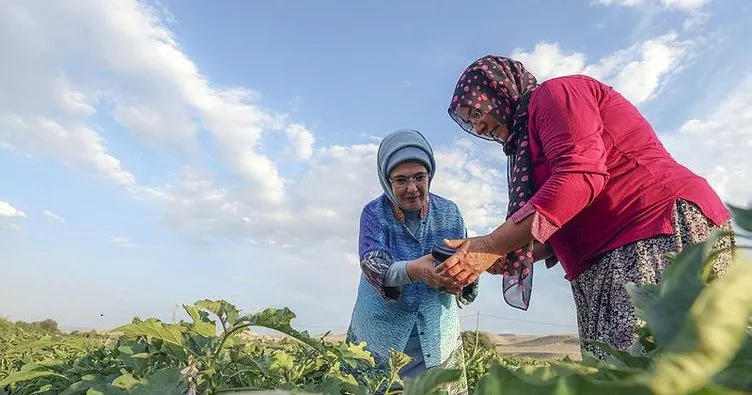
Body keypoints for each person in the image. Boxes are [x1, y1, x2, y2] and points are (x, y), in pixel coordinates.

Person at [438, 55, 735, 360]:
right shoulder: (524, 146)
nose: (480, 124)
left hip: (652, 227)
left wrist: (490, 245)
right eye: (471, 121)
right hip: (608, 253)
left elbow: (579, 177)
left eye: (478, 111)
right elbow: (558, 219)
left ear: (501, 90)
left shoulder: (556, 94)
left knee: (662, 365)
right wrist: (502, 253)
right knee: (621, 371)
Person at [345, 128, 477, 393]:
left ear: (430, 175)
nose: (412, 188)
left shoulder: (450, 212)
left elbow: (467, 263)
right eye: (401, 180)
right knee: (377, 387)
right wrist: (415, 270)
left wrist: (460, 281)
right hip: (382, 333)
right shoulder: (374, 213)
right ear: (386, 180)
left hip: (435, 331)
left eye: (419, 177)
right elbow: (373, 265)